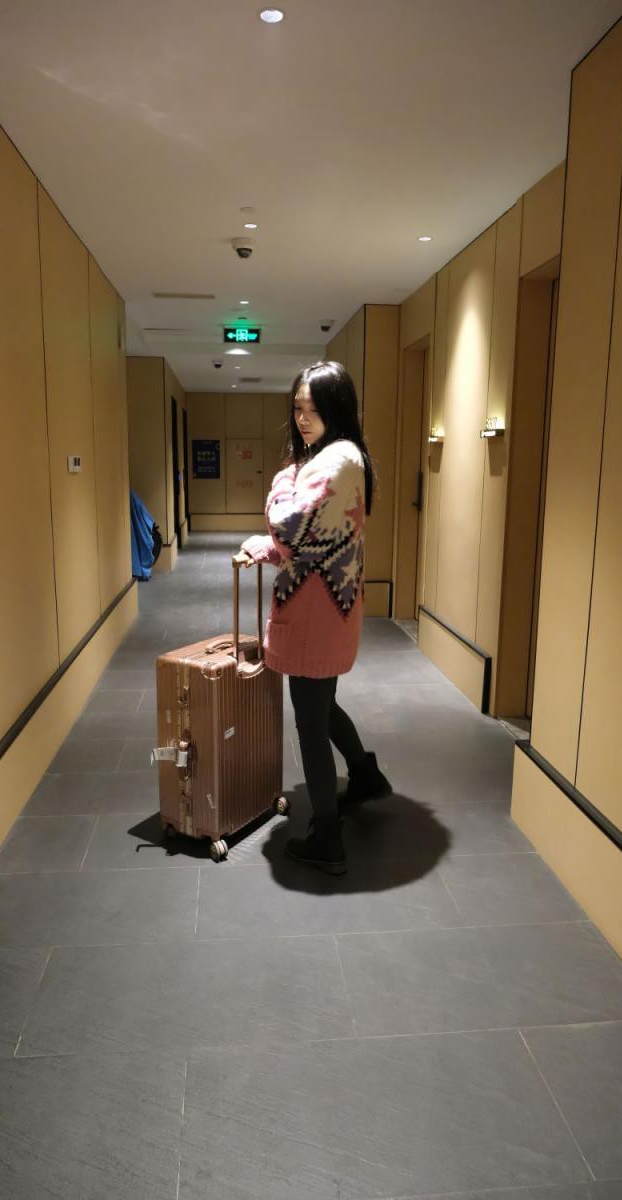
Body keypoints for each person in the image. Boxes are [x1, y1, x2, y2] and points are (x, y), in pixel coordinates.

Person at [237, 361, 391, 875]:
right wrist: (267, 548)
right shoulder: (344, 457)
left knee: (309, 721)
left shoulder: (332, 461)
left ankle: (327, 836)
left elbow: (290, 527)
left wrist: (282, 481)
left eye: (314, 408)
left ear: (337, 408)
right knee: (322, 706)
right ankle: (365, 776)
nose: (303, 418)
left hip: (314, 614)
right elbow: (316, 541)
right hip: (331, 607)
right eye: (298, 408)